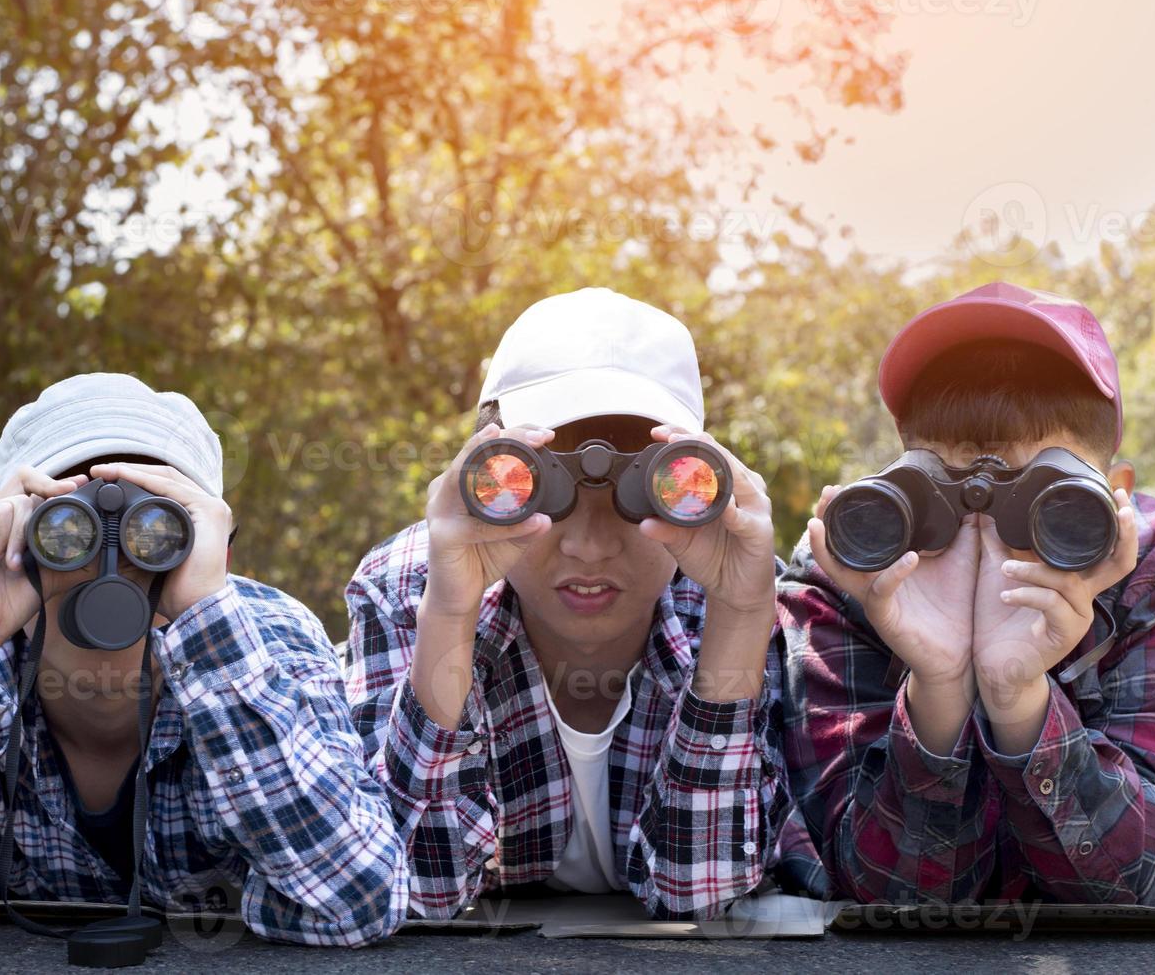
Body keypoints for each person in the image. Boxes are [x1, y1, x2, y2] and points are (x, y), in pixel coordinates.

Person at [0, 373, 407, 946]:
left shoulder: (268, 640)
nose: (108, 555)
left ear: (210, 542)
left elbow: (357, 903)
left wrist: (206, 623)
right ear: (12, 532)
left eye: (157, 525)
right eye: (66, 526)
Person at [344, 287, 812, 921]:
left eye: (633, 495)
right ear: (483, 467)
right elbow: (412, 890)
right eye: (540, 489)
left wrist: (742, 611)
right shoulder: (411, 588)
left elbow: (700, 891)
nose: (589, 548)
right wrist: (450, 613)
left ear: (690, 479)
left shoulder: (729, 590)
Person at [780, 282, 1155, 905]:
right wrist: (940, 686)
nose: (989, 528)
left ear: (1117, 495)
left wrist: (1018, 695)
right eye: (944, 487)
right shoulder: (853, 571)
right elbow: (878, 887)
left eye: (1044, 498)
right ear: (898, 477)